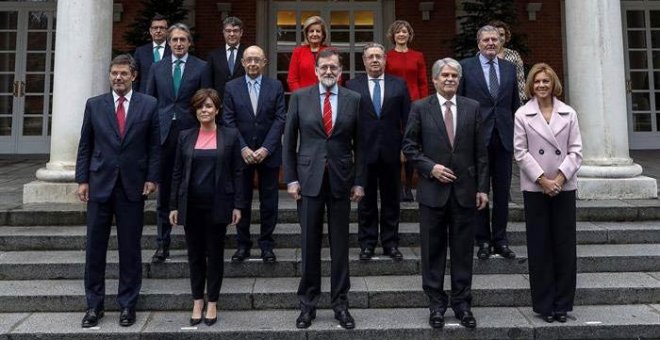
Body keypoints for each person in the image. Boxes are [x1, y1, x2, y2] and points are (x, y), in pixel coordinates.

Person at [402, 57, 488, 330]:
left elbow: (481, 153)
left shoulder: (472, 108)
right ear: (435, 80)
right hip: (432, 192)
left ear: (458, 81)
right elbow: (410, 147)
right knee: (432, 250)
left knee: (463, 251)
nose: (450, 79)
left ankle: (462, 304)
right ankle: (436, 304)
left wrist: (483, 188)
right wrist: (431, 168)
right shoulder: (419, 108)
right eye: (445, 75)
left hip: (465, 192)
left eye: (454, 76)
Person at [75, 54, 160, 328]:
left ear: (133, 76)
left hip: (132, 187)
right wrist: (82, 180)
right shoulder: (95, 105)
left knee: (130, 250)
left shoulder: (148, 105)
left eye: (123, 73)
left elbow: (154, 146)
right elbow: (85, 144)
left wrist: (152, 178)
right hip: (99, 185)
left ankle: (127, 305)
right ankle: (93, 306)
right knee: (95, 250)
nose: (118, 78)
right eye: (114, 74)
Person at [283, 48, 364, 330]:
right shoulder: (299, 98)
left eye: (334, 68)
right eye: (324, 68)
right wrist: (291, 179)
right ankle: (308, 305)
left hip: (342, 181)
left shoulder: (354, 99)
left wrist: (359, 181)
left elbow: (361, 144)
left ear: (341, 72)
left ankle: (340, 304)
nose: (329, 72)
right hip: (308, 181)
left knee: (340, 246)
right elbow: (289, 140)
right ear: (316, 70)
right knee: (309, 246)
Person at [169, 88, 245, 327]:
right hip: (191, 205)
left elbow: (238, 173)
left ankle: (212, 301)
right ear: (195, 110)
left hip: (218, 204)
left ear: (217, 110)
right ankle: (196, 301)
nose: (205, 110)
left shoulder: (230, 136)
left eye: (209, 106)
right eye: (201, 106)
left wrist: (238, 205)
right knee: (195, 256)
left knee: (215, 255)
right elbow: (177, 173)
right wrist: (173, 205)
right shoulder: (185, 136)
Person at [513, 63, 582, 323]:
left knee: (564, 246)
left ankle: (563, 304)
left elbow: (576, 151)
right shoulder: (522, 114)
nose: (542, 85)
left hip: (564, 186)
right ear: (531, 85)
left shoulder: (569, 113)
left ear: (554, 84)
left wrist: (560, 178)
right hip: (536, 187)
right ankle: (544, 305)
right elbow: (520, 152)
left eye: (546, 81)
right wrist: (543, 180)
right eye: (538, 81)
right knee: (539, 247)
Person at [146, 23, 211, 263]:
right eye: (174, 40)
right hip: (162, 135)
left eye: (183, 39)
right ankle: (162, 244)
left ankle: (197, 244)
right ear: (169, 42)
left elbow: (206, 101)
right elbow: (149, 102)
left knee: (192, 189)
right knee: (164, 194)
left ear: (189, 42)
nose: (179, 43)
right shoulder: (157, 68)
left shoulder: (201, 67)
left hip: (191, 134)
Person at [458, 25, 520, 260]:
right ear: (479, 44)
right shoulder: (465, 67)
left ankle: (501, 240)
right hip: (476, 139)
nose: (491, 43)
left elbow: (515, 106)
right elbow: (461, 105)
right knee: (479, 190)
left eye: (495, 39)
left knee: (502, 192)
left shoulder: (509, 69)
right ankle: (482, 240)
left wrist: (517, 139)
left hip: (503, 138)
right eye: (486, 40)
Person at [346, 42, 410, 261]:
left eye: (378, 57)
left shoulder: (399, 85)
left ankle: (391, 243)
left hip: (392, 152)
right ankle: (367, 243)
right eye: (370, 57)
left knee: (392, 200)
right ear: (363, 61)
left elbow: (408, 120)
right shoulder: (352, 85)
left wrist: (406, 148)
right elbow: (348, 121)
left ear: (385, 60)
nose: (374, 60)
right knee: (366, 201)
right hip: (363, 153)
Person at [223, 45, 286, 263]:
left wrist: (266, 148)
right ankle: (243, 245)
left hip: (269, 154)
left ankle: (267, 245)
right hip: (242, 154)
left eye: (257, 60)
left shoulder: (275, 86)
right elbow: (228, 121)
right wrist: (243, 148)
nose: (252, 63)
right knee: (242, 200)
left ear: (264, 62)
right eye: (249, 59)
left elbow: (280, 119)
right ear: (242, 62)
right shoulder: (231, 87)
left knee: (269, 202)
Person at [384, 19, 429, 202]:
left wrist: (424, 103)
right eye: (398, 32)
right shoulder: (387, 56)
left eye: (404, 31)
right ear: (392, 36)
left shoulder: (417, 56)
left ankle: (408, 187)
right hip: (394, 104)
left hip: (414, 104)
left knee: (412, 144)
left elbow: (423, 81)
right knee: (394, 145)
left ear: (409, 35)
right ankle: (396, 186)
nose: (401, 34)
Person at [207, 16, 246, 101]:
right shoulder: (213, 55)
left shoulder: (248, 54)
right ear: (223, 32)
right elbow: (208, 84)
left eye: (235, 31)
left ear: (241, 33)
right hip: (220, 105)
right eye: (228, 31)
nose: (232, 34)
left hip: (243, 104)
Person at [488, 20, 526, 103]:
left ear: (506, 37)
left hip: (509, 100)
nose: (499, 37)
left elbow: (520, 81)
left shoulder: (514, 55)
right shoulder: (482, 55)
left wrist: (521, 105)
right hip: (488, 102)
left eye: (501, 35)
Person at [287, 16, 328, 92]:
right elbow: (292, 80)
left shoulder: (330, 52)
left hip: (326, 98)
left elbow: (336, 77)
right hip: (303, 98)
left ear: (323, 35)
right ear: (307, 34)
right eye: (311, 31)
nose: (314, 34)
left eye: (318, 31)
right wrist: (301, 96)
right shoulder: (298, 52)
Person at [132, 14, 171, 93]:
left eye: (162, 28)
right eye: (155, 28)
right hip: (145, 97)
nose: (158, 30)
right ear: (150, 31)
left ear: (167, 31)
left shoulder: (173, 51)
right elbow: (135, 78)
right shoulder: (140, 52)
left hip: (167, 98)